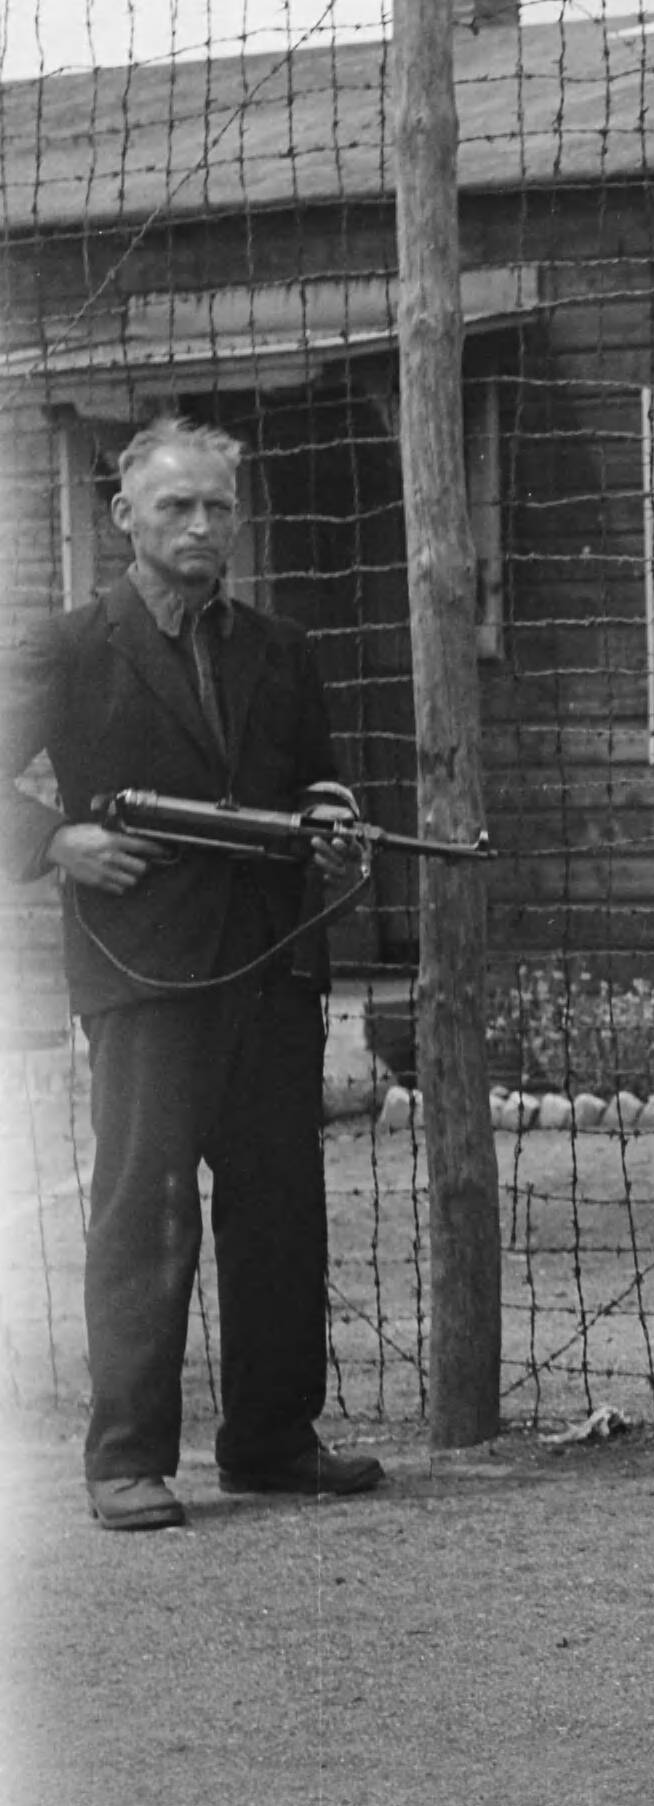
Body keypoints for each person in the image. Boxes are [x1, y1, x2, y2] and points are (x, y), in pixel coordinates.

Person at [3, 418, 384, 1530]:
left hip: (273, 966)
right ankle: (126, 1458)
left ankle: (272, 1440)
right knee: (144, 1212)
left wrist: (332, 826)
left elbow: (319, 783)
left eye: (219, 505)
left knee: (279, 1209)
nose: (202, 525)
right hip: (143, 971)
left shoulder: (281, 648)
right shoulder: (72, 646)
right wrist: (55, 842)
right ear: (125, 516)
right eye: (177, 506)